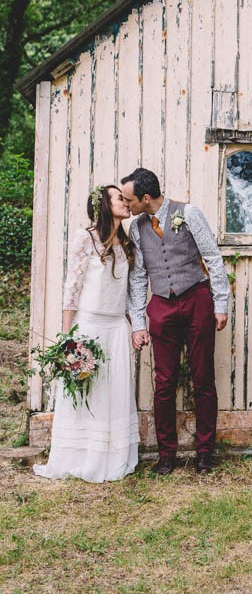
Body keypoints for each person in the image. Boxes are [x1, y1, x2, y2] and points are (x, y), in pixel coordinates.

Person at [121, 168, 230, 475]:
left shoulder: (189, 213)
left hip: (196, 299)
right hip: (162, 307)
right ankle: (166, 454)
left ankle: (205, 452)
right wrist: (139, 323)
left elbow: (212, 258)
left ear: (145, 197)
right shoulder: (137, 228)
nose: (126, 205)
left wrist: (220, 304)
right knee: (164, 383)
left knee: (203, 379)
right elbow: (139, 275)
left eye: (129, 199)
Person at [33, 186, 139, 483]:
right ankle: (81, 457)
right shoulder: (86, 238)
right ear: (104, 204)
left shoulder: (127, 243)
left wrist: (135, 325)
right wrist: (67, 340)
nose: (126, 202)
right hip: (89, 327)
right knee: (88, 393)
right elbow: (73, 288)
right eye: (120, 198)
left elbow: (129, 291)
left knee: (114, 391)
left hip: (117, 328)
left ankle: (112, 456)